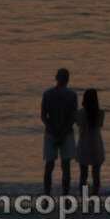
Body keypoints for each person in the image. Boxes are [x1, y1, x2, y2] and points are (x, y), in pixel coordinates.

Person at [40, 68, 78, 196]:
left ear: (56, 77)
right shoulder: (72, 95)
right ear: (68, 79)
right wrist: (63, 131)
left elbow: (43, 116)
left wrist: (52, 129)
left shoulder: (47, 94)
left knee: (49, 165)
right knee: (65, 166)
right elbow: (73, 117)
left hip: (51, 132)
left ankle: (46, 194)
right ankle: (65, 195)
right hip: (66, 133)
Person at [76, 88, 106, 194]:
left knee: (83, 175)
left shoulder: (80, 113)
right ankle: (95, 196)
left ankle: (83, 195)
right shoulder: (101, 113)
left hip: (84, 144)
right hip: (96, 144)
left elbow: (78, 124)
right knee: (96, 174)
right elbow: (100, 125)